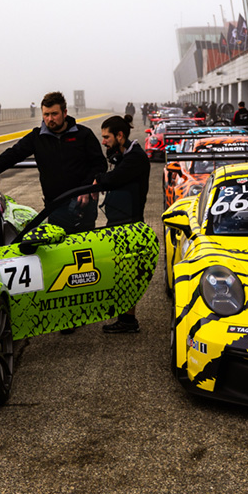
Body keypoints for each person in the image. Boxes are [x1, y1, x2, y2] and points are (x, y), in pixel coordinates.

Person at [0, 91, 106, 233]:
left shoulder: (84, 134)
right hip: (55, 206)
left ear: (65, 112)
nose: (50, 119)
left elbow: (100, 164)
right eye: (46, 114)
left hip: (83, 205)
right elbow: (12, 155)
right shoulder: (37, 137)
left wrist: (86, 188)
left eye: (54, 114)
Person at [93, 114, 151, 333]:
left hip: (130, 223)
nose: (104, 141)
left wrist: (99, 177)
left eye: (107, 137)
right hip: (119, 219)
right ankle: (125, 317)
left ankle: (128, 320)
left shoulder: (136, 157)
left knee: (127, 272)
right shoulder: (124, 154)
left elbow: (114, 178)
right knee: (120, 270)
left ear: (120, 135)